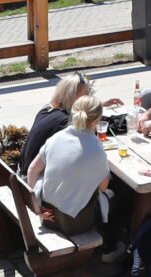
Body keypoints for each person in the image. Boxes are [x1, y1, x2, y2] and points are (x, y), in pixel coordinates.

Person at [25, 94, 110, 237]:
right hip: (74, 223)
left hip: (48, 217)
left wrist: (37, 207)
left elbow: (32, 170)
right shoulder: (96, 150)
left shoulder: (56, 138)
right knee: (116, 197)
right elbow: (103, 187)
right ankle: (110, 249)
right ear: (97, 120)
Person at [19, 74, 89, 173]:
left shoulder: (46, 111)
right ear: (73, 96)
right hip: (34, 180)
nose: (89, 98)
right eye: (86, 94)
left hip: (22, 175)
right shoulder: (65, 123)